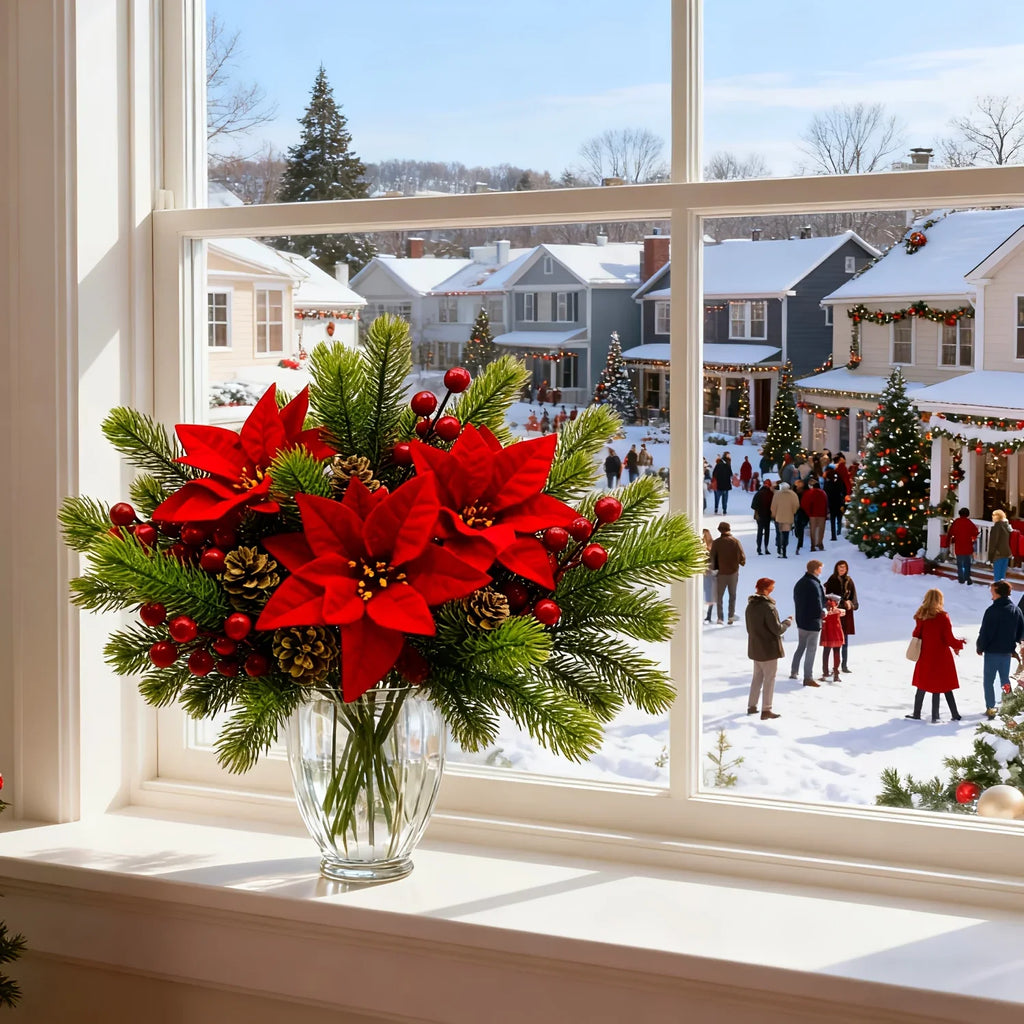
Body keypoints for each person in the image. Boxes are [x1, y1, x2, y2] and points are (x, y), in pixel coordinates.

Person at [907, 589, 964, 723]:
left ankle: (917, 713)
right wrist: (959, 643)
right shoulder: (943, 617)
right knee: (944, 685)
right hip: (941, 655)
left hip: (925, 654)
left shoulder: (921, 615)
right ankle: (946, 715)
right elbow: (948, 638)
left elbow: (916, 634)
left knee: (922, 684)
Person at [745, 577, 793, 720]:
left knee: (757, 678)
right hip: (769, 649)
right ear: (766, 588)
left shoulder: (750, 605)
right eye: (772, 587)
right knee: (769, 679)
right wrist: (787, 622)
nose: (773, 589)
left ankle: (752, 706)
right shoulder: (768, 607)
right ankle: (766, 709)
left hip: (755, 648)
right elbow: (777, 629)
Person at [977, 580, 1024, 719]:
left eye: (992, 591)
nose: (991, 594)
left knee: (989, 680)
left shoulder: (992, 611)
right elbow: (1021, 631)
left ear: (998, 592)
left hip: (992, 651)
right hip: (1007, 651)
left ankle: (991, 707)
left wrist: (980, 647)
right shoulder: (1015, 610)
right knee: (1005, 679)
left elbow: (985, 632)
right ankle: (1009, 705)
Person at [790, 559, 825, 686]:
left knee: (801, 646)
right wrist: (823, 613)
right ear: (815, 569)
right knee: (811, 649)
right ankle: (808, 677)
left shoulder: (800, 583)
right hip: (812, 622)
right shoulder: (814, 584)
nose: (821, 570)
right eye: (820, 568)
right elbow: (818, 603)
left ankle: (794, 671)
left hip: (801, 620)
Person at [823, 559, 858, 673]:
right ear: (836, 568)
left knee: (845, 640)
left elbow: (854, 596)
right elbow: (829, 597)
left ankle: (844, 665)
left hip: (846, 614)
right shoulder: (832, 580)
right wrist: (842, 602)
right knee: (834, 641)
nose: (842, 569)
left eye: (844, 567)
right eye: (840, 567)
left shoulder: (849, 580)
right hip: (835, 614)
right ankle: (832, 667)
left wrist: (852, 604)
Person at [710, 521, 746, 625]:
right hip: (733, 573)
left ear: (719, 530)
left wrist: (714, 569)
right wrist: (740, 562)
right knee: (732, 595)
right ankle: (730, 616)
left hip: (721, 573)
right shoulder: (735, 542)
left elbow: (712, 557)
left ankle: (720, 618)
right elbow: (742, 558)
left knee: (719, 596)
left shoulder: (716, 543)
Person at [946, 507, 979, 585]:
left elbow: (950, 533)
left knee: (960, 564)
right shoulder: (969, 523)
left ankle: (961, 579)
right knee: (967, 564)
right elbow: (975, 532)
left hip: (959, 547)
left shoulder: (956, 522)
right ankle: (968, 578)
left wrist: (948, 543)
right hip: (968, 547)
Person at [818, 593, 846, 683]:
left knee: (826, 653)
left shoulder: (824, 611)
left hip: (827, 634)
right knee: (837, 652)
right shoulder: (837, 611)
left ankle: (825, 673)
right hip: (837, 633)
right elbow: (843, 612)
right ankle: (836, 673)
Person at [770, 480, 799, 558]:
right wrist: (793, 512)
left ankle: (779, 549)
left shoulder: (777, 494)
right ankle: (784, 549)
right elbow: (796, 505)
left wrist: (773, 515)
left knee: (779, 533)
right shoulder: (793, 495)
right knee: (786, 534)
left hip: (779, 517)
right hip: (788, 517)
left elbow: (773, 506)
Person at [801, 476, 828, 551]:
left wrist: (808, 512)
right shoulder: (823, 493)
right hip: (822, 514)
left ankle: (813, 545)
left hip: (813, 514)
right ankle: (820, 543)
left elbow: (804, 503)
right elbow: (826, 504)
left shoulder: (809, 493)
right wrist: (826, 514)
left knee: (813, 530)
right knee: (821, 530)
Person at [822, 467, 847, 542]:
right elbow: (844, 490)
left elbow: (825, 492)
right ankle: (839, 531)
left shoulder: (827, 483)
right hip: (839, 501)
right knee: (839, 517)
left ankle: (833, 535)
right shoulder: (840, 481)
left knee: (832, 519)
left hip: (831, 502)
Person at [751, 478, 774, 556]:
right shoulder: (771, 494)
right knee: (767, 531)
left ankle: (759, 548)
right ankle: (766, 548)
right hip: (767, 515)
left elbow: (754, 505)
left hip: (760, 515)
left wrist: (756, 514)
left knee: (760, 531)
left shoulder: (758, 493)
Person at [988, 509, 1012, 583]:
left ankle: (998, 591)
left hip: (998, 554)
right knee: (1002, 576)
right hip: (1006, 552)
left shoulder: (997, 527)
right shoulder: (1006, 526)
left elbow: (993, 542)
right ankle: (1003, 590)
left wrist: (990, 557)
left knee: (997, 577)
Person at [701, 528, 716, 624]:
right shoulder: (713, 545)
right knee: (709, 594)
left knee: (709, 594)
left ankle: (708, 615)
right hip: (709, 573)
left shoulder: (705, 547)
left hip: (707, 572)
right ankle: (708, 615)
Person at [791, 477, 809, 555]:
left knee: (800, 526)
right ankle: (799, 540)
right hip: (798, 511)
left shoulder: (804, 493)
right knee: (799, 526)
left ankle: (800, 541)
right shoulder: (794, 492)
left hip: (802, 511)